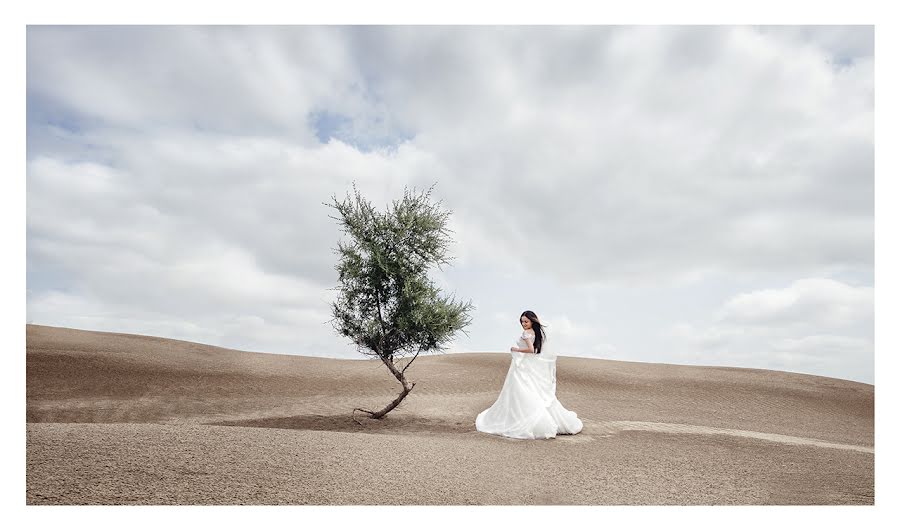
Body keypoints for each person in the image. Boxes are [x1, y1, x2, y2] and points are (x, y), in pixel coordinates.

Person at [475, 310, 583, 439]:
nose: (523, 324)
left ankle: (525, 421)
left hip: (522, 367)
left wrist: (516, 349)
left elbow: (531, 350)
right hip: (527, 365)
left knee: (519, 392)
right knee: (528, 392)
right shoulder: (536, 334)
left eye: (526, 321)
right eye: (522, 321)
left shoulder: (527, 333)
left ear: (532, 321)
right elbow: (537, 350)